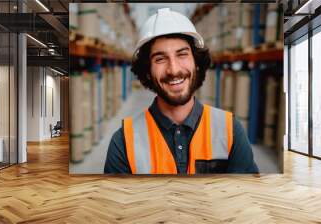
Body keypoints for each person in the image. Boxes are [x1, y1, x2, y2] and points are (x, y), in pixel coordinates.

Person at [104, 8, 259, 174]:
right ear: (147, 72)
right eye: (160, 59)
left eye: (182, 54)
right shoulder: (123, 141)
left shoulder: (230, 130)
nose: (174, 69)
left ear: (196, 63)